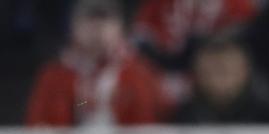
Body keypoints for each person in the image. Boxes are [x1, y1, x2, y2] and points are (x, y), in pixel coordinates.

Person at [26, 0, 166, 127]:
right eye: (89, 21)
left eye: (105, 21)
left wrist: (110, 101)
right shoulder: (54, 75)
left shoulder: (139, 73)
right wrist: (82, 101)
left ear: (120, 28)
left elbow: (148, 128)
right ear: (74, 27)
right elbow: (37, 124)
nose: (97, 29)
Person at [171, 32, 269, 124]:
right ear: (197, 74)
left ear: (244, 71)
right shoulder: (181, 120)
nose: (219, 80)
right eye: (211, 71)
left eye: (225, 71)